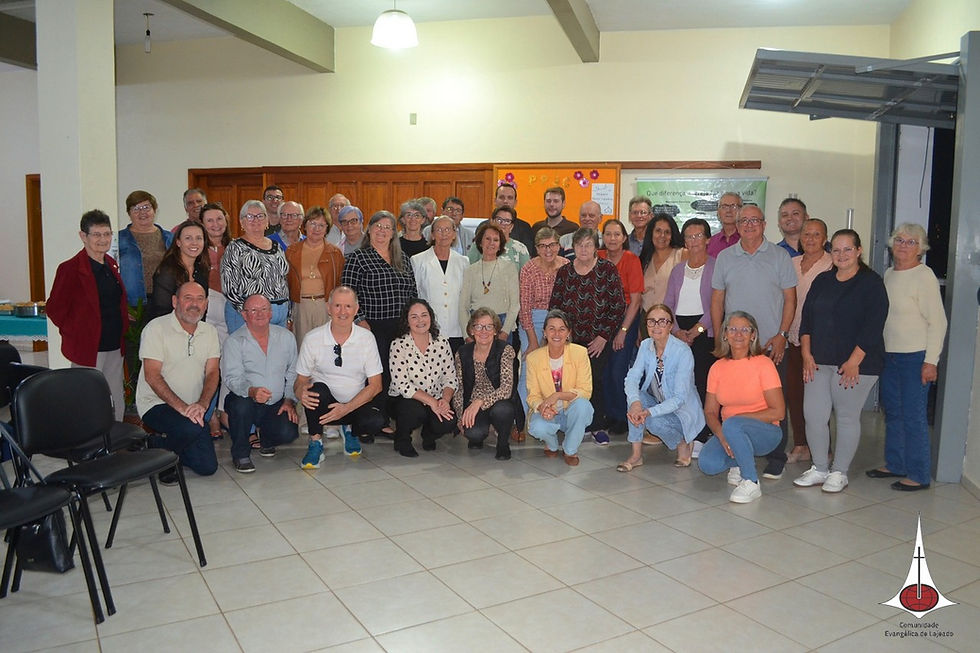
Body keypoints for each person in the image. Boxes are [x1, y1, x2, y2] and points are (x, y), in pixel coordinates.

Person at [794, 230, 888, 493]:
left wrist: (855, 360)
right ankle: (820, 467)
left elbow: (873, 326)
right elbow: (807, 321)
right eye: (836, 250)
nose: (842, 255)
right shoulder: (823, 281)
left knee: (846, 417)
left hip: (856, 365)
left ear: (858, 251)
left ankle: (839, 472)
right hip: (818, 362)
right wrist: (806, 355)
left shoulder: (871, 283)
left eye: (848, 249)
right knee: (814, 415)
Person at [710, 204, 796, 480]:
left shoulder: (780, 256)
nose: (748, 225)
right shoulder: (725, 257)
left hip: (770, 344)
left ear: (765, 223)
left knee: (774, 403)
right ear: (736, 223)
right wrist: (717, 336)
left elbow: (790, 299)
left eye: (754, 220)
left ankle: (776, 456)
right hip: (734, 343)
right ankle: (736, 451)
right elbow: (717, 300)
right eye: (743, 220)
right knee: (735, 400)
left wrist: (782, 335)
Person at [867, 223, 947, 491]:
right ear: (891, 244)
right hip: (890, 356)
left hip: (916, 357)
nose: (903, 245)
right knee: (894, 413)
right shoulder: (889, 274)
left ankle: (919, 474)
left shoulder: (924, 277)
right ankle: (896, 463)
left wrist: (931, 361)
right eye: (899, 240)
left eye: (911, 242)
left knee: (913, 416)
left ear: (921, 248)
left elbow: (938, 322)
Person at [47, 209, 129, 421]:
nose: (103, 240)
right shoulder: (70, 269)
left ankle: (115, 443)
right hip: (88, 347)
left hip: (114, 345)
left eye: (107, 234)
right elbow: (55, 308)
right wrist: (77, 331)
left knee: (115, 398)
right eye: (97, 235)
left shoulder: (110, 265)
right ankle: (90, 448)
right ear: (83, 236)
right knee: (89, 400)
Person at [294, 287, 387, 468]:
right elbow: (300, 381)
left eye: (347, 306)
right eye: (337, 306)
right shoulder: (312, 338)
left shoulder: (367, 338)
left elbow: (376, 386)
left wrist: (346, 408)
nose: (342, 312)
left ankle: (350, 430)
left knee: (376, 421)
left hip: (354, 403)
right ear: (328, 308)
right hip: (325, 404)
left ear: (356, 309)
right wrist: (300, 392)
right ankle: (315, 442)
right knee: (314, 390)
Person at [136, 282, 220, 482]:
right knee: (192, 428)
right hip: (156, 404)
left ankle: (159, 446)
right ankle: (165, 458)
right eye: (188, 298)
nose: (194, 304)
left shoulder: (209, 332)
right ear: (175, 301)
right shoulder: (156, 328)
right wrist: (182, 408)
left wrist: (202, 404)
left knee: (207, 467)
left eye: (200, 299)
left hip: (193, 410)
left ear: (206, 304)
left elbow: (212, 373)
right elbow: (152, 376)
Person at [698, 311, 784, 504]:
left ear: (753, 335)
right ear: (725, 334)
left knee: (733, 424)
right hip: (730, 431)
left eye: (745, 329)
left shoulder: (764, 364)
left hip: (766, 432)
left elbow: (778, 412)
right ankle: (739, 459)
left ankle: (751, 481)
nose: (738, 334)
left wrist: (737, 422)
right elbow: (710, 412)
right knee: (707, 464)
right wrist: (722, 436)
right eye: (733, 329)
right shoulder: (717, 367)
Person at [549, 228, 625, 440]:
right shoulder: (564, 272)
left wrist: (603, 336)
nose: (583, 249)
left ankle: (597, 426)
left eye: (588, 245)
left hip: (598, 340)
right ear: (572, 247)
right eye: (579, 245)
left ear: (595, 248)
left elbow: (618, 306)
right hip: (569, 340)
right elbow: (555, 307)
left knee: (595, 382)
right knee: (570, 383)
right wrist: (561, 338)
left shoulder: (607, 269)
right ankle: (574, 424)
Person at [341, 210, 418, 407]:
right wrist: (360, 319)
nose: (382, 231)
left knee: (399, 371)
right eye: (378, 226)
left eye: (387, 227)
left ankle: (393, 413)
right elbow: (348, 293)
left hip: (401, 327)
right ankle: (375, 418)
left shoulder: (403, 258)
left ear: (394, 233)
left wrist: (413, 321)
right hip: (372, 326)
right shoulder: (358, 258)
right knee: (377, 372)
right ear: (369, 230)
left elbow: (413, 293)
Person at [620, 304, 705, 471]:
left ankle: (683, 442)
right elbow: (632, 377)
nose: (656, 326)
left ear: (671, 326)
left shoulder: (683, 351)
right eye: (651, 321)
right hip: (660, 401)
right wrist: (636, 402)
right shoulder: (645, 345)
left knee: (651, 420)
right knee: (633, 397)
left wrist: (650, 411)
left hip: (681, 412)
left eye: (662, 321)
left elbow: (679, 399)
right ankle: (636, 456)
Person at [221, 295, 300, 473]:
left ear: (271, 313)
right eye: (253, 310)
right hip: (246, 399)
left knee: (289, 432)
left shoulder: (286, 337)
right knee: (241, 406)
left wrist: (289, 400)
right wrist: (251, 391)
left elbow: (293, 373)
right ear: (244, 315)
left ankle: (266, 441)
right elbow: (231, 377)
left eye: (264, 309)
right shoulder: (234, 341)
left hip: (276, 403)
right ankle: (240, 453)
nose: (259, 314)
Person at [784, 218, 833, 464]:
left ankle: (823, 448)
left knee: (819, 400)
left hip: (820, 343)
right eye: (806, 234)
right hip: (793, 338)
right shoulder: (790, 263)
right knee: (795, 395)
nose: (810, 239)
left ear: (825, 239)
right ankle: (801, 444)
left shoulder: (832, 264)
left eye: (816, 234)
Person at [664, 218, 716, 442]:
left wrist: (697, 330)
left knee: (703, 383)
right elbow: (668, 304)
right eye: (689, 236)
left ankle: (704, 434)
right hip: (678, 333)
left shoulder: (716, 266)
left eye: (698, 236)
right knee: (681, 383)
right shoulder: (677, 270)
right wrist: (676, 332)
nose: (693, 241)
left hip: (705, 333)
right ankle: (686, 429)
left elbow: (717, 304)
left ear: (707, 239)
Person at [517, 227, 570, 437]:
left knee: (558, 371)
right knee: (528, 370)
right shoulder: (529, 269)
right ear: (536, 248)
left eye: (552, 245)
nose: (548, 250)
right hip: (533, 321)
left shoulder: (566, 266)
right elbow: (525, 307)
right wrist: (533, 341)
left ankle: (555, 418)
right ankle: (521, 422)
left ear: (559, 246)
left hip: (559, 322)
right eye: (542, 246)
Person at [388, 299, 457, 456]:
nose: (420, 321)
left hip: (436, 396)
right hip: (405, 399)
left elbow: (450, 377)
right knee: (414, 412)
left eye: (424, 315)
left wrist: (444, 401)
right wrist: (432, 402)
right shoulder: (398, 345)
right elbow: (402, 384)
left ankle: (429, 435)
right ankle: (402, 439)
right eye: (414, 317)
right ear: (407, 321)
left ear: (431, 317)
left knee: (448, 421)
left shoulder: (442, 343)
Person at [525, 310, 594, 466]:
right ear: (544, 333)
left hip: (571, 408)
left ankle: (570, 449)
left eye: (562, 329)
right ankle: (552, 444)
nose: (557, 333)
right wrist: (542, 407)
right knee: (536, 427)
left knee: (583, 406)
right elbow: (532, 395)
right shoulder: (533, 358)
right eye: (551, 328)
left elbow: (585, 390)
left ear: (568, 333)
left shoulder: (580, 353)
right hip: (548, 411)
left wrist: (557, 396)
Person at [598, 219, 644, 436]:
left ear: (624, 238)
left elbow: (636, 300)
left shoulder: (631, 260)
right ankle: (607, 413)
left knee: (618, 371)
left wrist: (623, 331)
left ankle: (620, 415)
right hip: (601, 319)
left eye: (617, 234)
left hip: (626, 318)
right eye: (608, 234)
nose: (612, 239)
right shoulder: (597, 257)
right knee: (603, 370)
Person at [452, 308, 516, 460]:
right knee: (473, 433)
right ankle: (479, 435)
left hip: (498, 401)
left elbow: (506, 389)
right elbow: (459, 388)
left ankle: (502, 443)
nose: (483, 331)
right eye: (478, 326)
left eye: (489, 326)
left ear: (495, 331)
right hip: (473, 404)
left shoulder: (505, 350)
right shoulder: (462, 352)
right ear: (471, 330)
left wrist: (480, 402)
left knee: (503, 411)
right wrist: (461, 416)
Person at [221, 200, 291, 333]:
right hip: (248, 316)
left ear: (267, 221)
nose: (255, 220)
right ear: (242, 222)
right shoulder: (235, 248)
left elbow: (284, 281)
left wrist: (288, 313)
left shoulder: (276, 247)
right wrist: (249, 312)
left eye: (260, 216)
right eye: (250, 216)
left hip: (279, 313)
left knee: (276, 353)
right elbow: (229, 288)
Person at [285, 206, 344, 347]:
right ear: (305, 225)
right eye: (313, 223)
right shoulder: (292, 251)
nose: (316, 229)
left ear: (327, 229)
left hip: (325, 306)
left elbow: (340, 283)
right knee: (303, 347)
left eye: (321, 225)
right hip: (301, 306)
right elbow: (285, 282)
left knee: (326, 347)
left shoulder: (335, 253)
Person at [412, 216, 469, 352]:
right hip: (429, 329)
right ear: (432, 235)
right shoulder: (418, 260)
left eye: (448, 230)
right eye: (439, 230)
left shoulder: (463, 262)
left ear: (454, 234)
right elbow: (416, 295)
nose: (444, 234)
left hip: (457, 329)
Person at [460, 222, 520, 340]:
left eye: (496, 240)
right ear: (480, 242)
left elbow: (515, 305)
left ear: (500, 245)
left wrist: (505, 331)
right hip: (477, 327)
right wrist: (466, 334)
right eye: (487, 239)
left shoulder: (509, 268)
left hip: (502, 325)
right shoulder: (470, 270)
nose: (491, 243)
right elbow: (463, 306)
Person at [118, 189, 174, 308]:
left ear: (154, 210)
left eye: (146, 207)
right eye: (136, 209)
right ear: (129, 213)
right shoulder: (118, 239)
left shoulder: (170, 238)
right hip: (133, 305)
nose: (142, 212)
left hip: (165, 301)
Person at [149, 220, 210, 321]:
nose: (194, 243)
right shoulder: (167, 271)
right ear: (178, 242)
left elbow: (202, 308)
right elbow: (162, 312)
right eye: (188, 238)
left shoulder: (202, 269)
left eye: (199, 238)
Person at [201, 202, 233, 345]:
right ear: (202, 224)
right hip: (208, 305)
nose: (216, 224)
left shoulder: (235, 246)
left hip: (230, 305)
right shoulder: (197, 249)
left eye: (219, 219)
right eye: (210, 220)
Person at [641, 213, 687, 311]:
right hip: (646, 319)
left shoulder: (682, 255)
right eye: (658, 231)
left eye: (667, 232)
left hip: (672, 319)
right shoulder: (645, 258)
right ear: (651, 233)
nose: (662, 236)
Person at [467, 206, 530, 272]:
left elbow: (526, 277)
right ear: (492, 221)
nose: (502, 224)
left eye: (507, 221)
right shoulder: (479, 244)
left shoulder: (520, 248)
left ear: (511, 227)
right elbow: (469, 270)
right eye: (499, 220)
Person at [492, 182, 534, 251]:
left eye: (510, 198)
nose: (505, 201)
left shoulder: (525, 228)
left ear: (515, 202)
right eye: (501, 197)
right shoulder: (484, 226)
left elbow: (527, 254)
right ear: (495, 201)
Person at [706, 192, 742, 257]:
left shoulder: (748, 240)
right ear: (718, 212)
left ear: (741, 210)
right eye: (724, 207)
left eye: (733, 206)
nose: (728, 210)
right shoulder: (711, 243)